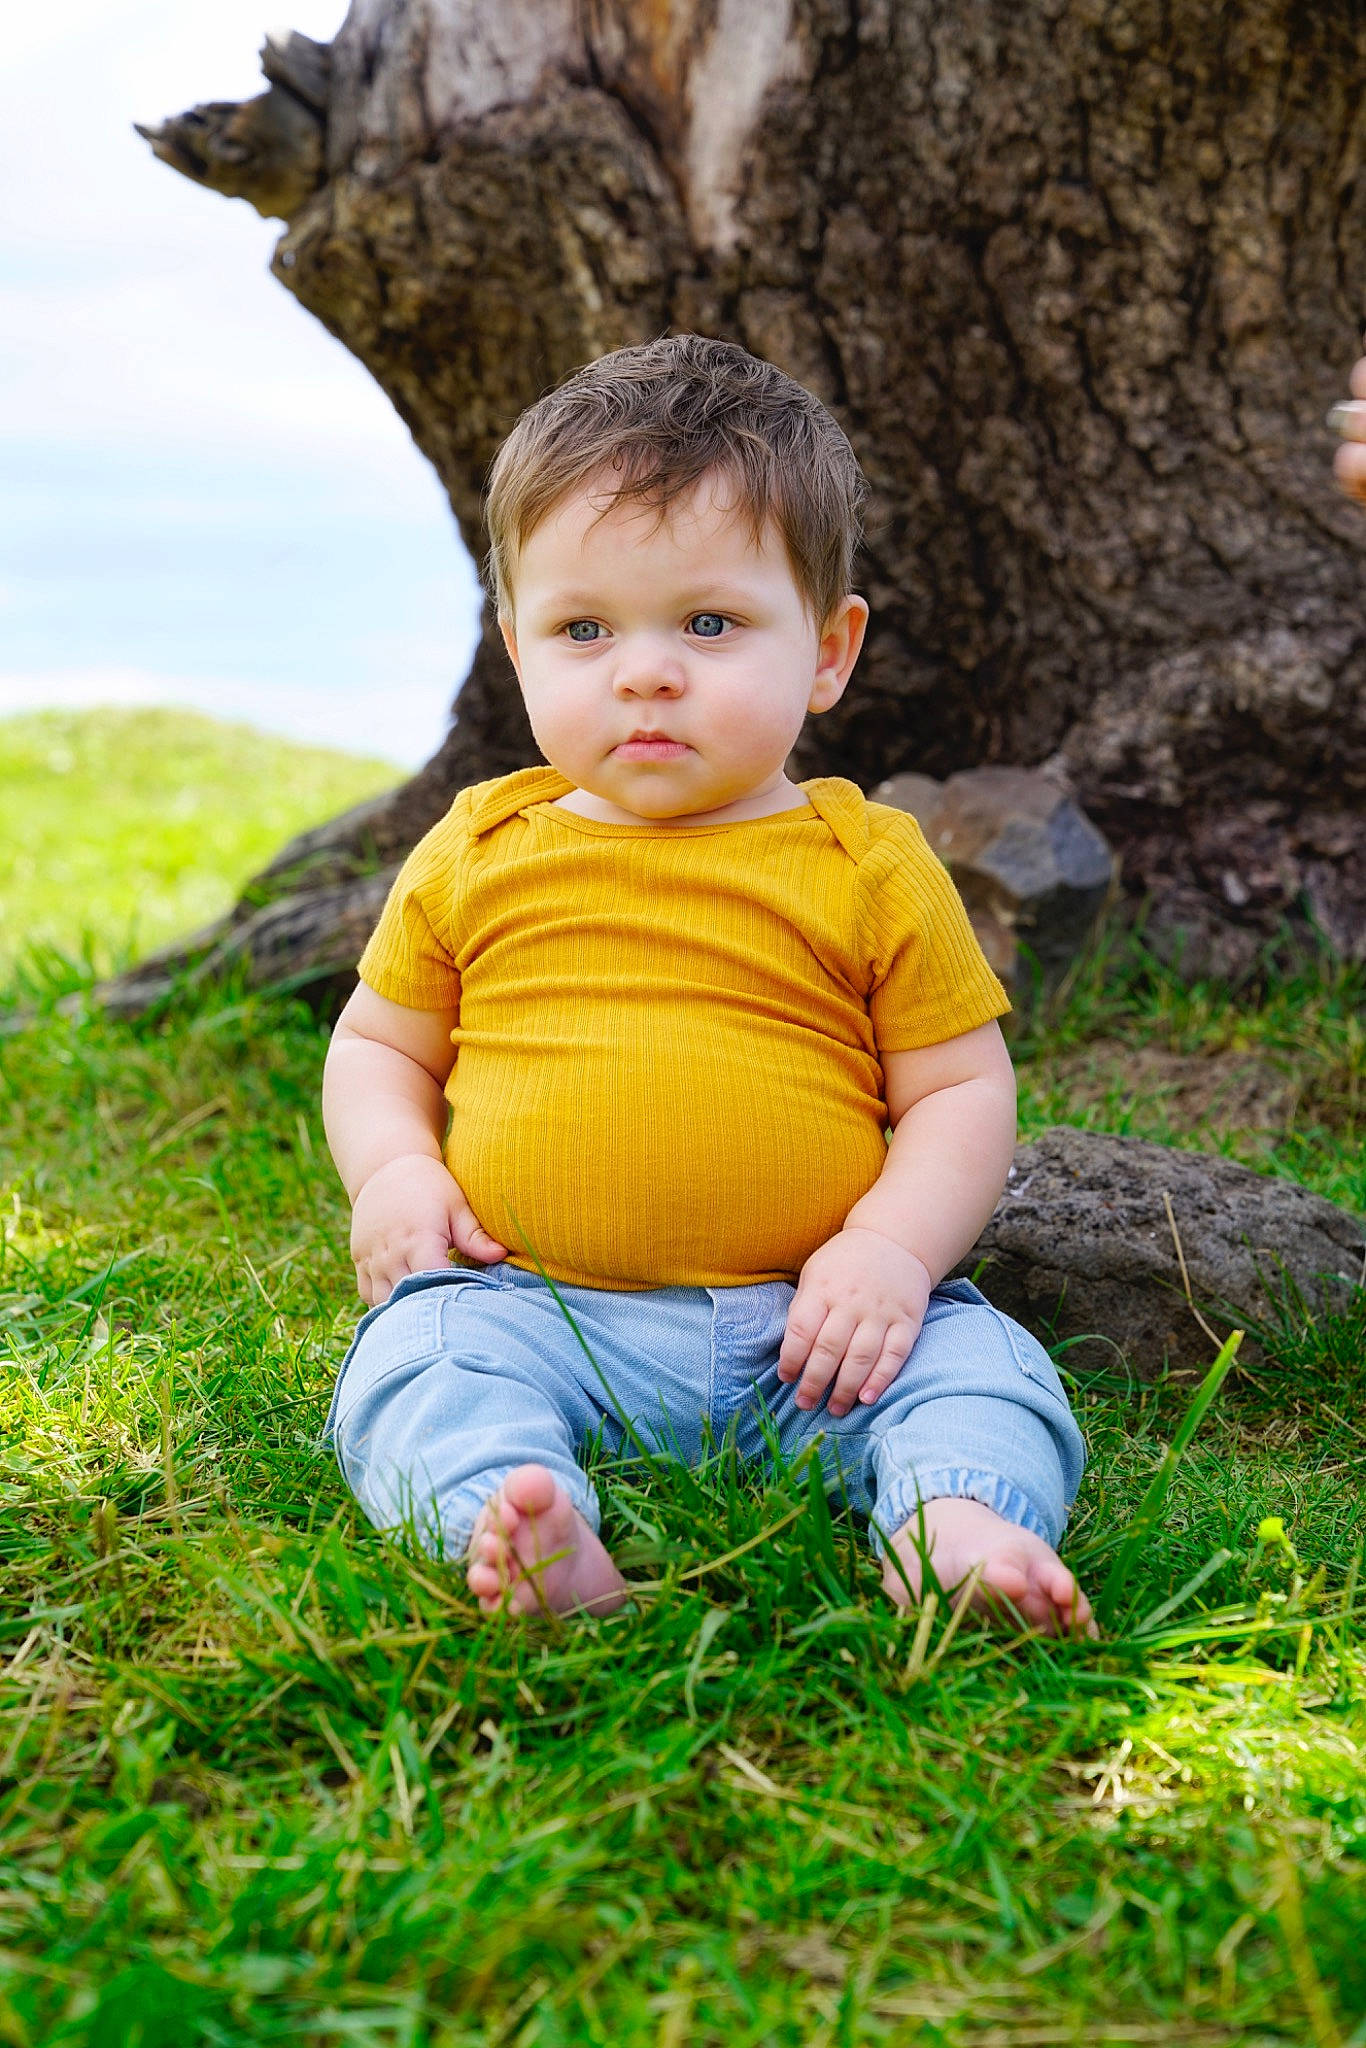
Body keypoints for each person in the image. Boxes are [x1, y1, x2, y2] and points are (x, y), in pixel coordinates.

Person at [321, 334, 1091, 1634]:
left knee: (984, 1370)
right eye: (584, 628)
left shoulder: (866, 863)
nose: (643, 670)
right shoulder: (478, 850)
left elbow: (961, 1088)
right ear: (518, 647)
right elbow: (381, 1047)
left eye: (710, 623)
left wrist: (890, 1254)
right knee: (418, 1361)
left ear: (828, 650)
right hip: (539, 1308)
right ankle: (507, 1520)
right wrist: (396, 1172)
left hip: (820, 1333)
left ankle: (954, 1526)